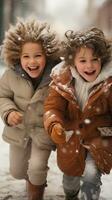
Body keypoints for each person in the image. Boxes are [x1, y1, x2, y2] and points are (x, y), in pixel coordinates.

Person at [44, 27, 112, 200]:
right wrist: (54, 124)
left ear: (102, 59)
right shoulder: (62, 81)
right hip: (70, 138)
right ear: (72, 62)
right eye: (83, 60)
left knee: (91, 177)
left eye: (94, 59)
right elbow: (53, 108)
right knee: (70, 179)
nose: (89, 65)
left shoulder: (109, 83)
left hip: (99, 139)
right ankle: (71, 194)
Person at [0, 17, 60, 200]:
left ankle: (36, 188)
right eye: (26, 56)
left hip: (43, 131)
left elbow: (65, 100)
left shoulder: (56, 75)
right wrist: (8, 112)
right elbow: (2, 96)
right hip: (19, 130)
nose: (32, 62)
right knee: (18, 171)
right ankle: (33, 180)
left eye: (38, 56)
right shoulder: (11, 75)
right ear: (18, 56)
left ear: (47, 55)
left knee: (36, 167)